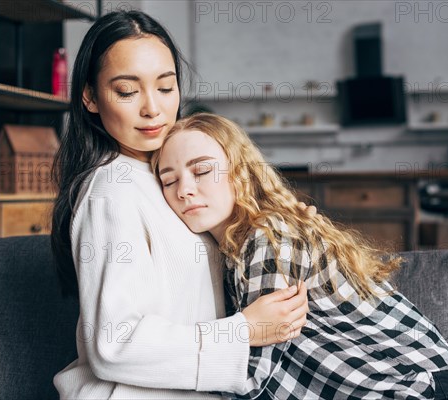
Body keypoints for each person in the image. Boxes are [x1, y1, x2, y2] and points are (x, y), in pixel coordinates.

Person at [51, 11, 309, 399]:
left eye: (166, 87)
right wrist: (243, 330)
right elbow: (114, 346)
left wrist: (285, 224)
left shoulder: (167, 176)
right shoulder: (112, 190)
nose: (152, 108)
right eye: (127, 91)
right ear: (90, 96)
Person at [152, 113, 448, 400]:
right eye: (169, 180)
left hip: (418, 388)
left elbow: (252, 377)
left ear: (240, 172)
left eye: (202, 171)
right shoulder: (234, 254)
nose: (184, 189)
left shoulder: (267, 236)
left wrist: (151, 358)